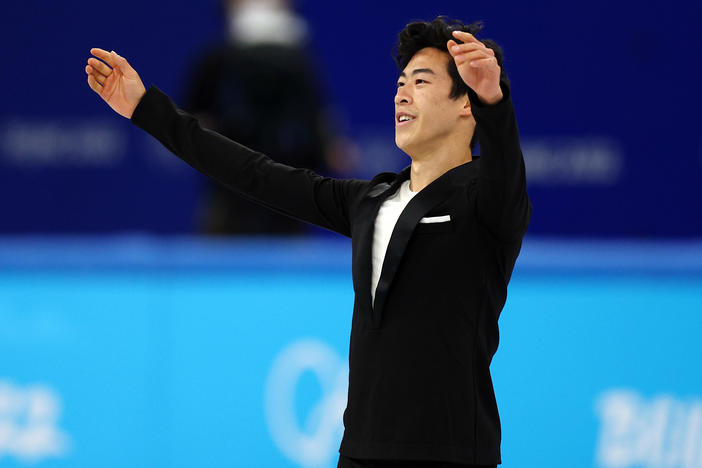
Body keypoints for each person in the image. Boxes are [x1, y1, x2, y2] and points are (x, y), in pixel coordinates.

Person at [85, 16, 531, 468]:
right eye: (400, 82)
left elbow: (506, 175)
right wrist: (146, 108)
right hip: (359, 453)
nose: (401, 92)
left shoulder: (485, 203)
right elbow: (252, 173)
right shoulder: (368, 201)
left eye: (421, 81)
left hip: (450, 455)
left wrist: (494, 102)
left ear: (465, 106)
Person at [183, 0, 353, 235]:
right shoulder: (218, 62)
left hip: (285, 193)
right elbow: (195, 117)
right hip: (232, 193)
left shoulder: (298, 64)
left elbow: (315, 119)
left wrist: (328, 147)